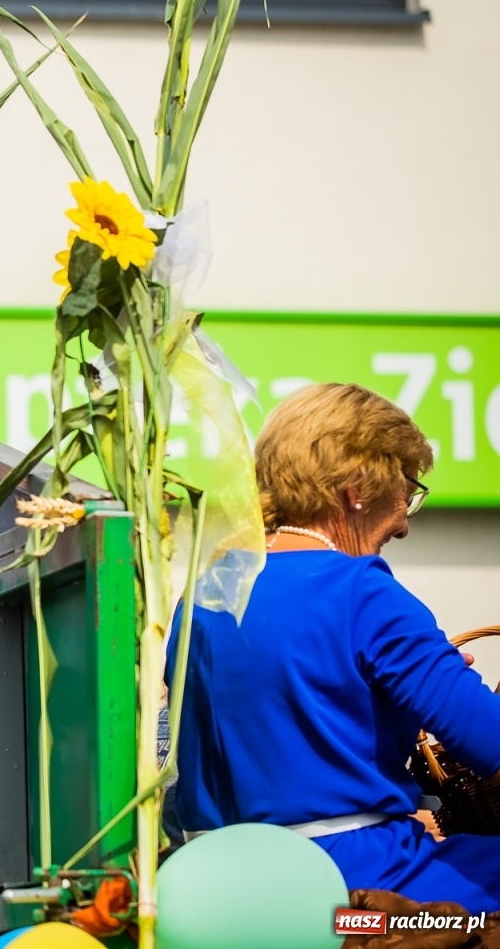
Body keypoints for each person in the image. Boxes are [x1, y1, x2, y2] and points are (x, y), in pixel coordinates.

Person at [170, 382, 500, 912]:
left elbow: (276, 724)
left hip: (217, 889)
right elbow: (491, 740)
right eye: (407, 489)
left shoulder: (203, 591)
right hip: (350, 882)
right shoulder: (359, 591)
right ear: (357, 489)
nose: (405, 522)